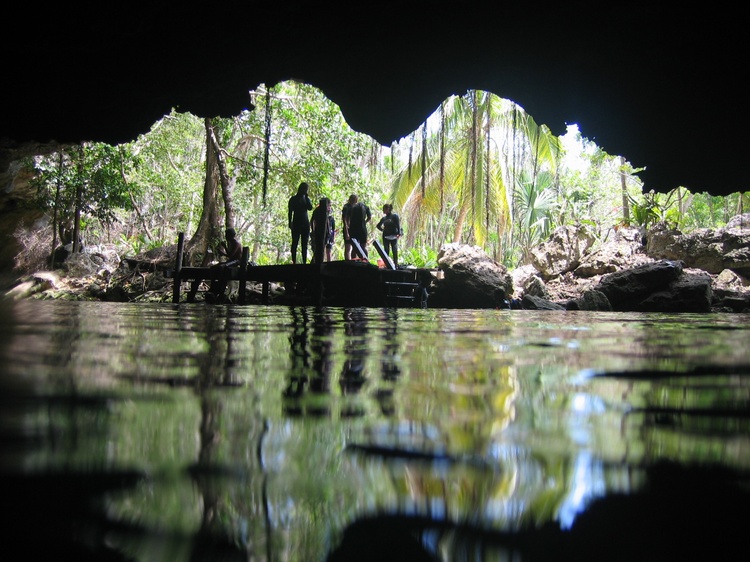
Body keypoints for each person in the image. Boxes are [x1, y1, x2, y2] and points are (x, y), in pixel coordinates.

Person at [208, 227, 243, 300]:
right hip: (231, 261)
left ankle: (221, 286)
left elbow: (231, 255)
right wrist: (222, 252)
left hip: (236, 261)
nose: (226, 236)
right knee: (213, 267)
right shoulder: (231, 243)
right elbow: (229, 255)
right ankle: (213, 286)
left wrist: (224, 247)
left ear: (231, 235)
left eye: (227, 235)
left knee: (222, 267)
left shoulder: (236, 244)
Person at [288, 182, 313, 264]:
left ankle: (304, 262)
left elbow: (310, 208)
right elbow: (290, 211)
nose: (305, 191)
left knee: (304, 244)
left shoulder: (306, 199)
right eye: (305, 189)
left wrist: (307, 198)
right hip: (296, 223)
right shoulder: (293, 199)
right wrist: (289, 222)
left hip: (305, 223)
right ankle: (294, 261)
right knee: (295, 242)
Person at [310, 197, 332, 264]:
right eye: (329, 205)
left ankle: (317, 262)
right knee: (318, 249)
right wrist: (313, 231)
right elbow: (312, 221)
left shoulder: (325, 211)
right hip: (319, 232)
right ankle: (316, 263)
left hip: (324, 233)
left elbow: (327, 223)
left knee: (321, 249)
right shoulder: (318, 211)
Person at [341, 194, 357, 260]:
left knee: (355, 248)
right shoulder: (346, 207)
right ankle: (348, 262)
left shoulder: (355, 207)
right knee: (348, 248)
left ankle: (353, 261)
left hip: (354, 229)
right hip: (348, 229)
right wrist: (346, 231)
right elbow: (344, 218)